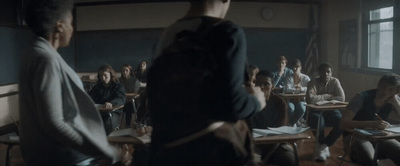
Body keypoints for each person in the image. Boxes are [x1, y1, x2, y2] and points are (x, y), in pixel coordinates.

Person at [150, 0, 266, 165]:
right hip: (213, 152)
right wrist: (256, 101)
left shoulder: (166, 36)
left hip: (167, 152)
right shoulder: (227, 31)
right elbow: (232, 104)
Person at [18, 0, 126, 165]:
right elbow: (54, 122)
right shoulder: (46, 59)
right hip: (64, 158)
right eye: (71, 22)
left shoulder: (33, 52)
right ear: (59, 26)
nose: (72, 29)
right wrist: (104, 150)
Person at [340, 74, 400, 165]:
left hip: (380, 137)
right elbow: (343, 124)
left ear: (396, 91)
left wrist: (396, 104)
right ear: (378, 85)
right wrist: (373, 124)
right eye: (383, 87)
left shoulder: (394, 100)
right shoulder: (361, 97)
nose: (385, 91)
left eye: (391, 89)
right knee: (369, 158)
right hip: (355, 136)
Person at [247, 70, 297, 166]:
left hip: (276, 143)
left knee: (289, 158)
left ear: (272, 87)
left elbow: (280, 131)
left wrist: (266, 158)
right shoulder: (249, 102)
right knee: (251, 161)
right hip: (254, 144)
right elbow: (248, 131)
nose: (261, 87)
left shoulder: (280, 103)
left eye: (266, 84)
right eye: (258, 83)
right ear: (254, 84)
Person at [306, 63, 345, 161]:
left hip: (331, 110)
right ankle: (321, 146)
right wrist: (329, 96)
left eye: (328, 72)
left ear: (331, 73)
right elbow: (310, 99)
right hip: (315, 111)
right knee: (318, 121)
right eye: (323, 71)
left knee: (342, 121)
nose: (326, 74)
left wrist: (319, 97)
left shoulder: (335, 81)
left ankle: (324, 145)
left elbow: (341, 98)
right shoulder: (312, 83)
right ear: (319, 73)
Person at [89, 64, 126, 134]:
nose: (103, 78)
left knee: (107, 123)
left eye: (105, 75)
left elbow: (120, 99)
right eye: (101, 76)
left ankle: (105, 142)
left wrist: (111, 103)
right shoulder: (97, 87)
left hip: (113, 113)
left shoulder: (118, 86)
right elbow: (89, 97)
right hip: (99, 112)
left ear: (111, 75)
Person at [285, 59, 310, 126]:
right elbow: (287, 90)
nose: (295, 68)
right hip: (291, 100)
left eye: (297, 67)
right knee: (290, 109)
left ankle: (292, 123)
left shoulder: (306, 78)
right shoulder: (289, 77)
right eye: (293, 67)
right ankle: (296, 123)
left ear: (300, 67)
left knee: (302, 109)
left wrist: (301, 88)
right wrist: (298, 89)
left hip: (301, 100)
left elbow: (309, 89)